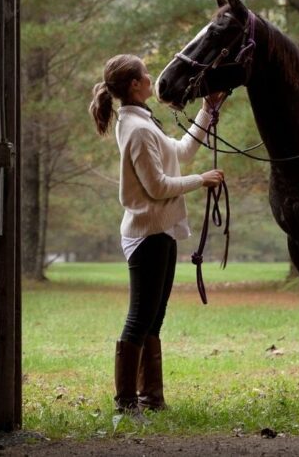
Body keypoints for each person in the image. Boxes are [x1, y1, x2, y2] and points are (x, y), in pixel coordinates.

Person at [89, 53, 225, 416]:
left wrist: (208, 111)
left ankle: (151, 397)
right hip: (147, 234)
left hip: (160, 230)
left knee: (154, 317)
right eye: (146, 75)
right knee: (139, 318)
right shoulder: (136, 129)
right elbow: (157, 186)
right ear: (135, 84)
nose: (151, 78)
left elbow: (182, 150)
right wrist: (202, 180)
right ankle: (125, 403)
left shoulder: (142, 123)